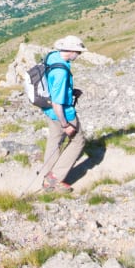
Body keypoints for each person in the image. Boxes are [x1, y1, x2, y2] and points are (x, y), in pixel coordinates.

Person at [40, 35, 87, 192]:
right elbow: (57, 102)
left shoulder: (53, 56)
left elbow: (53, 86)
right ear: (72, 51)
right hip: (63, 112)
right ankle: (54, 179)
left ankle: (47, 174)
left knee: (55, 140)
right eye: (78, 52)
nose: (78, 55)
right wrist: (65, 124)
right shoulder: (61, 72)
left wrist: (70, 91)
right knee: (78, 141)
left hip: (48, 109)